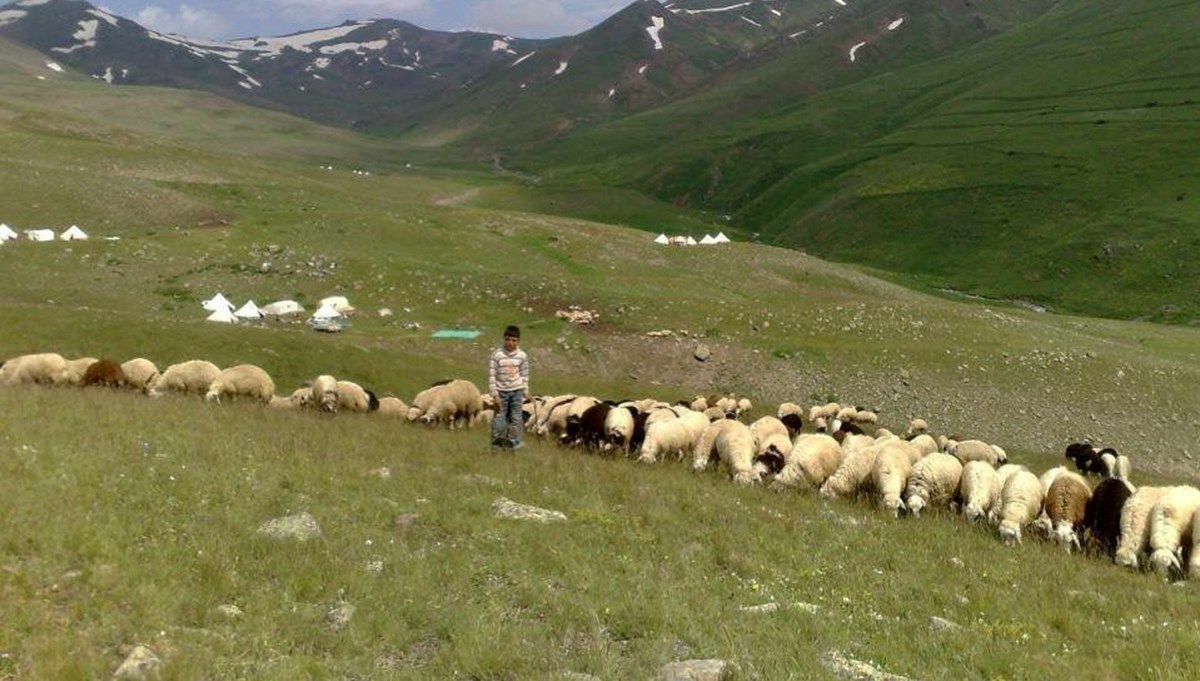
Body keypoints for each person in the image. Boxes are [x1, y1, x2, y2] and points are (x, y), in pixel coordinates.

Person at [488, 325, 529, 450]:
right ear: (504, 339)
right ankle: (497, 443)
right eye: (508, 339)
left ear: (518, 341)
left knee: (516, 417)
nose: (510, 343)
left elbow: (524, 374)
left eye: (514, 340)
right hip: (501, 392)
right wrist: (495, 394)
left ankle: (514, 442)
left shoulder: (522, 356)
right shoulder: (497, 355)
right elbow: (492, 375)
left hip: (516, 390)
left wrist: (525, 390)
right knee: (500, 417)